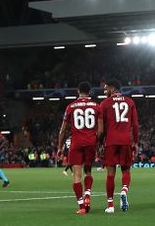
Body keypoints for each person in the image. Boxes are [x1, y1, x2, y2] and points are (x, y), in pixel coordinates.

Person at [57, 82, 100, 214]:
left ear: (78, 91)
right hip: (91, 142)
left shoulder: (71, 107)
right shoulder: (96, 106)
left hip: (76, 143)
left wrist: (60, 147)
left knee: (76, 175)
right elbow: (101, 129)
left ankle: (81, 206)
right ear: (90, 92)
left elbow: (63, 130)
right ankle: (87, 196)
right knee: (88, 172)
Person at [97, 79, 138, 213]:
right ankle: (124, 191)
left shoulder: (104, 104)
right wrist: (135, 142)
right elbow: (135, 126)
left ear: (112, 88)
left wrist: (99, 144)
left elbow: (101, 130)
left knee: (110, 174)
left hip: (111, 141)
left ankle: (110, 206)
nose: (105, 91)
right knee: (126, 170)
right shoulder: (130, 102)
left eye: (106, 88)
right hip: (126, 140)